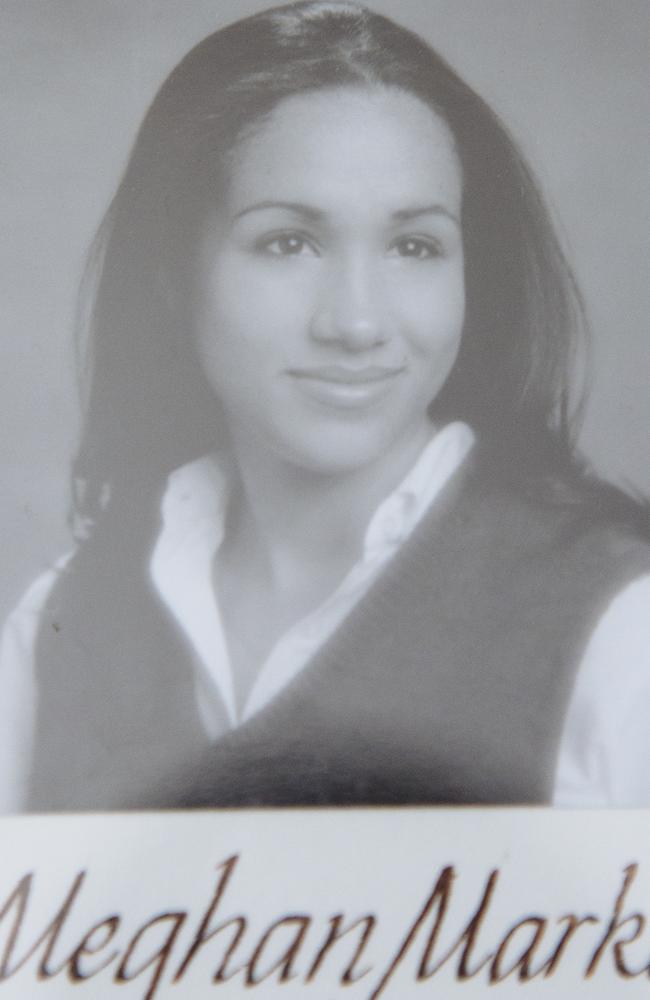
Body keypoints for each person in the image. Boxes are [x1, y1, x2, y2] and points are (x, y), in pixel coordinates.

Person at [1, 0, 649, 813]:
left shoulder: (622, 621)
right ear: (173, 273)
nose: (356, 323)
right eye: (288, 243)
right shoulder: (60, 625)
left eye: (415, 247)